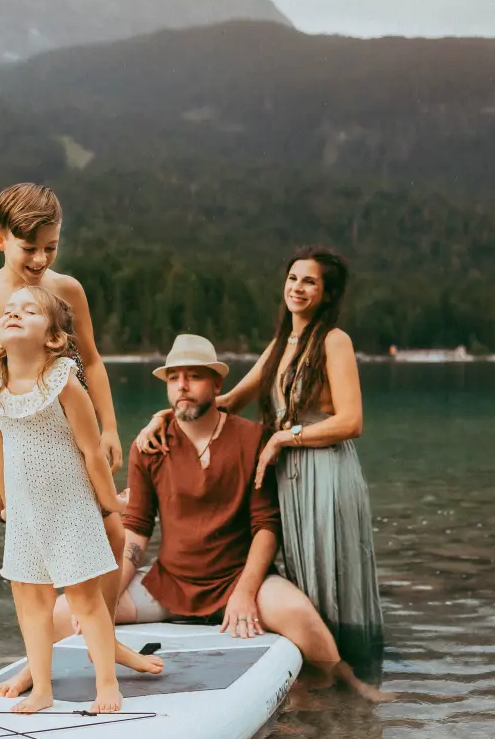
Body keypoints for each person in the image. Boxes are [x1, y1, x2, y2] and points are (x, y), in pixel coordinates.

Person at [61, 334, 390, 701]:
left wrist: (245, 593)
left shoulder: (252, 439)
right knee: (67, 609)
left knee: (299, 615)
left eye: (194, 376)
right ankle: (49, 678)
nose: (182, 386)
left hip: (238, 579)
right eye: (174, 378)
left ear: (217, 384)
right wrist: (108, 596)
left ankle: (348, 684)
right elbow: (135, 531)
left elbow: (266, 527)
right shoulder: (150, 446)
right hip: (171, 586)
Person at [0, 182, 162, 681]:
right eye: (30, 248)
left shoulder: (67, 291)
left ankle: (103, 642)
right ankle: (36, 665)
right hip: (17, 439)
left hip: (74, 425)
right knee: (30, 560)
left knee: (111, 535)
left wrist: (110, 427)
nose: (42, 258)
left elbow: (90, 359)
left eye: (52, 246)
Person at [136, 249, 384, 668]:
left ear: (326, 294)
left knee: (333, 568)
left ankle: (354, 668)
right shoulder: (281, 345)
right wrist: (161, 417)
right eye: (292, 278)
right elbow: (226, 401)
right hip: (288, 474)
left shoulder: (333, 341)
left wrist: (286, 436)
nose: (297, 288)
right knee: (306, 572)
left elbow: (352, 421)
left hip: (325, 473)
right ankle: (310, 665)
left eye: (310, 282)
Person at [0, 285, 128, 714]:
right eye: (8, 310)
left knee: (85, 599)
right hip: (25, 514)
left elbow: (92, 451)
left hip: (70, 508)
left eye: (28, 310)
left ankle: (107, 684)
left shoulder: (63, 381)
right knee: (31, 602)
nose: (13, 314)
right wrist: (5, 501)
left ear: (54, 338)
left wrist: (110, 503)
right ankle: (42, 688)